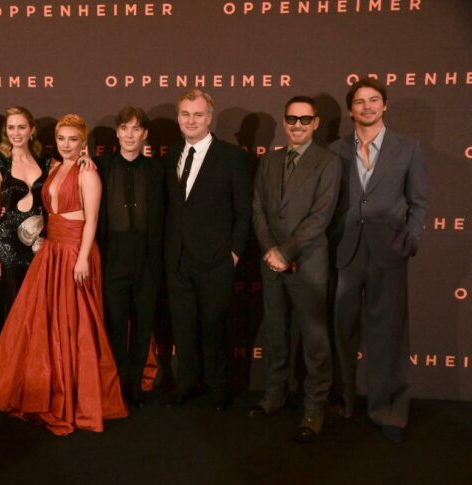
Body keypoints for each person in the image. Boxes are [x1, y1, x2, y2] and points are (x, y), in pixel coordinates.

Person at [0, 114, 128, 435]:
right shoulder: (55, 167)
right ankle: (50, 391)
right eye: (61, 139)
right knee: (47, 326)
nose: (66, 144)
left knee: (76, 326)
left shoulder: (88, 173)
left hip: (75, 252)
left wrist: (83, 258)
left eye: (73, 139)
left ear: (83, 142)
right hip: (51, 252)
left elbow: (92, 220)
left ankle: (76, 399)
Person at [330, 77, 429, 443]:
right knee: (341, 331)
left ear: (384, 105)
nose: (367, 106)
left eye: (374, 100)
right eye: (360, 101)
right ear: (351, 109)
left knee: (388, 335)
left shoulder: (409, 148)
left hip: (389, 251)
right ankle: (343, 402)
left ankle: (388, 410)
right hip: (345, 251)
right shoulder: (335, 150)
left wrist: (410, 240)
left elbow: (419, 202)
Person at [250, 96, 342, 443]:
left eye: (305, 119)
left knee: (314, 339)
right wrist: (270, 250)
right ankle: (275, 394)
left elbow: (321, 216)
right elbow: (258, 209)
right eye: (292, 119)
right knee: (275, 332)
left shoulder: (328, 162)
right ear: (285, 121)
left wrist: (285, 252)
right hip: (271, 261)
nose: (298, 125)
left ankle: (314, 407)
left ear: (316, 123)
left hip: (307, 262)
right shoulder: (269, 160)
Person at [163, 89, 252, 411]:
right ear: (178, 118)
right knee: (183, 327)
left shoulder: (232, 156)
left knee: (215, 327)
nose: (191, 120)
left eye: (198, 114)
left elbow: (244, 210)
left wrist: (234, 252)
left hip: (216, 259)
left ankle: (218, 388)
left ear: (209, 118)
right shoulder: (173, 153)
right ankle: (186, 383)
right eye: (185, 114)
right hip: (178, 258)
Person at [96, 106, 163, 408]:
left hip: (147, 258)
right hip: (113, 256)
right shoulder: (100, 166)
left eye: (136, 129)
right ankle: (116, 386)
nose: (130, 135)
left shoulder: (157, 170)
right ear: (117, 133)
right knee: (114, 327)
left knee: (143, 326)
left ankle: (134, 385)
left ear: (144, 134)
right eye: (124, 128)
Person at [0, 107, 48, 334]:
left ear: (32, 130)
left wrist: (85, 160)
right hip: (8, 246)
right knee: (14, 307)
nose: (16, 133)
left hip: (40, 246)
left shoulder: (46, 162)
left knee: (39, 307)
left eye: (21, 127)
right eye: (11, 127)